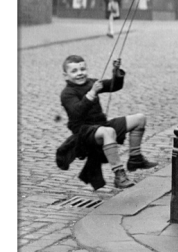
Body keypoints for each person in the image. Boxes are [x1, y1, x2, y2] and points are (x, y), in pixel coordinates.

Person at [55, 54, 157, 190]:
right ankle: (119, 175)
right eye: (74, 71)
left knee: (140, 119)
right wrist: (92, 92)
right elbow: (77, 112)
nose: (80, 73)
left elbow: (114, 86)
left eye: (82, 69)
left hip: (101, 126)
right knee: (109, 132)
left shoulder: (91, 82)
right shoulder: (67, 93)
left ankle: (135, 158)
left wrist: (116, 72)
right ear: (65, 75)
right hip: (83, 133)